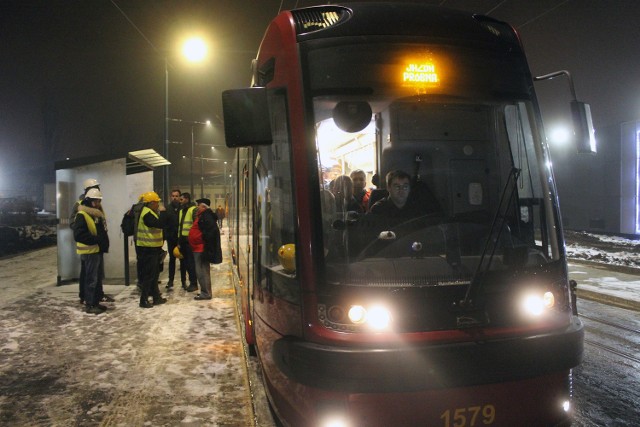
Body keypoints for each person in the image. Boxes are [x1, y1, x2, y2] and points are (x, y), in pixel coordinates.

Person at [71, 178, 114, 305]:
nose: (97, 189)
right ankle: (86, 297)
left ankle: (96, 296)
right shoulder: (80, 205)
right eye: (94, 187)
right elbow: (74, 225)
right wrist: (90, 235)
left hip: (96, 245)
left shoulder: (97, 203)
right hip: (89, 245)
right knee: (88, 274)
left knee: (96, 273)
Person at [136, 191, 168, 308]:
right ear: (151, 203)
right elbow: (159, 224)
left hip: (152, 248)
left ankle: (156, 297)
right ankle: (143, 300)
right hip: (147, 249)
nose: (158, 205)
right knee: (149, 275)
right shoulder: (147, 214)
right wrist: (163, 213)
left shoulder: (150, 212)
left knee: (154, 274)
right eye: (157, 202)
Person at [188, 198, 222, 301]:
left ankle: (206, 293)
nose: (197, 207)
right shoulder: (204, 215)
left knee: (202, 271)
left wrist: (201, 239)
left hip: (201, 248)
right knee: (201, 270)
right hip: (198, 247)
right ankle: (205, 291)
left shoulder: (206, 216)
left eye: (198, 205)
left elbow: (211, 232)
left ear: (203, 206)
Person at [177, 192, 198, 292]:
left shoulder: (193, 209)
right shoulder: (182, 210)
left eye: (181, 199)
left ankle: (193, 283)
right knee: (186, 262)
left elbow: (196, 225)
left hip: (190, 240)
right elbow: (180, 227)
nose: (180, 201)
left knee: (190, 263)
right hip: (183, 240)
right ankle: (191, 282)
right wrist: (179, 240)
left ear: (187, 199)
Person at [164, 189, 181, 290]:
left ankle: (184, 281)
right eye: (173, 196)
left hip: (180, 238)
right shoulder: (167, 208)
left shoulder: (182, 208)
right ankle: (171, 281)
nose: (174, 197)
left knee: (183, 260)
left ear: (179, 197)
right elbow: (165, 223)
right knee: (172, 260)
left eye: (176, 196)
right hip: (171, 238)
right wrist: (167, 235)